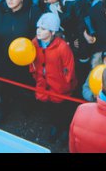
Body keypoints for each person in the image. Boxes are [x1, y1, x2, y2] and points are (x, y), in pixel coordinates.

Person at [0, 0, 41, 125]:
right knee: (5, 87)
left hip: (26, 61)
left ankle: (26, 105)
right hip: (4, 59)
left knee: (25, 87)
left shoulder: (33, 12)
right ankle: (4, 109)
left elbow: (37, 37)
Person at [30, 12, 77, 141]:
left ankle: (63, 128)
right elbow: (31, 61)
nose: (39, 31)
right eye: (38, 28)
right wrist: (35, 73)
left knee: (62, 109)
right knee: (49, 108)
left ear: (52, 32)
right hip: (43, 84)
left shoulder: (62, 47)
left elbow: (69, 68)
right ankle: (54, 125)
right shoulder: (34, 43)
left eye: (43, 29)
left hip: (59, 87)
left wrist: (66, 84)